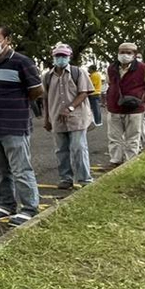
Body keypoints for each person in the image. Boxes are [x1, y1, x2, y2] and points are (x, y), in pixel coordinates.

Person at [0, 25, 43, 227]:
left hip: (14, 125)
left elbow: (36, 91)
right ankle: (6, 204)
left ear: (7, 39)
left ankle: (30, 208)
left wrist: (14, 103)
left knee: (20, 168)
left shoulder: (21, 62)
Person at [42, 43, 94, 189]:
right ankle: (66, 178)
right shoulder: (47, 77)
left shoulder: (78, 72)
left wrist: (70, 108)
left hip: (77, 117)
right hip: (56, 118)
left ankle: (84, 179)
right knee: (61, 150)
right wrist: (46, 118)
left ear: (69, 57)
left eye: (64, 56)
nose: (61, 58)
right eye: (58, 55)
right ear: (53, 57)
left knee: (78, 147)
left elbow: (84, 92)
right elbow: (45, 98)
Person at [105, 42, 145, 166]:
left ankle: (130, 162)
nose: (125, 55)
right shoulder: (111, 68)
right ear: (117, 53)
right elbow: (109, 83)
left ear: (134, 55)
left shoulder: (144, 68)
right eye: (122, 52)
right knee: (114, 136)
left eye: (129, 52)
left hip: (135, 109)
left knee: (133, 137)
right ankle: (115, 160)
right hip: (115, 108)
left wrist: (143, 97)